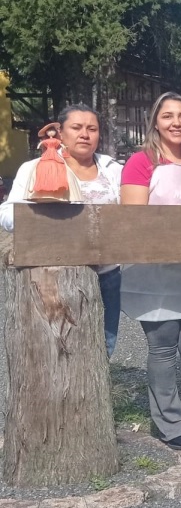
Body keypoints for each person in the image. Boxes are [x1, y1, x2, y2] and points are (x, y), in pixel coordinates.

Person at [120, 92, 181, 460]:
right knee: (162, 350)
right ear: (156, 122)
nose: (176, 123)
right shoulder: (141, 163)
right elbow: (135, 220)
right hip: (155, 275)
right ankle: (171, 425)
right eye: (168, 116)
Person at [0, 104, 123, 356]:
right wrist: (47, 219)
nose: (85, 134)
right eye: (76, 127)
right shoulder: (34, 168)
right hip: (56, 274)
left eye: (92, 129)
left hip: (108, 272)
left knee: (105, 344)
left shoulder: (113, 169)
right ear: (60, 132)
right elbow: (7, 214)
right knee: (59, 349)